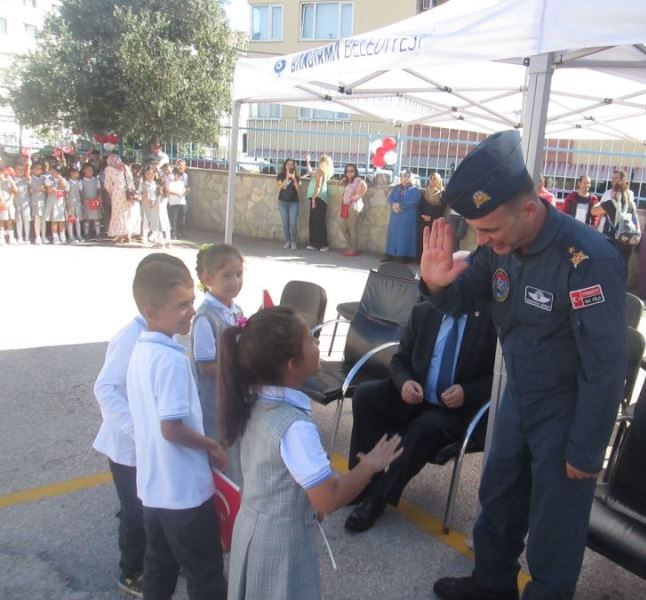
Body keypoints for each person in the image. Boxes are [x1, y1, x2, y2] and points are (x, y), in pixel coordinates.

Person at [420, 130, 627, 600]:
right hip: (516, 396)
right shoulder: (499, 245)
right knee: (499, 499)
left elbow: (605, 365)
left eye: (489, 230)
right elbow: (462, 296)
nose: (482, 240)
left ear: (529, 209)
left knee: (555, 525)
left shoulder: (587, 260)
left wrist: (587, 448)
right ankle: (491, 585)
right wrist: (435, 285)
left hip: (566, 409)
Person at [217, 307, 403, 600]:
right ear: (292, 364)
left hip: (252, 530)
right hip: (282, 546)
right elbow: (328, 498)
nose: (318, 345)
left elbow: (276, 472)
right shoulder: (295, 427)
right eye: (311, 340)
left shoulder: (253, 399)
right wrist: (368, 467)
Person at [346, 296, 497, 532]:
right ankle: (363, 483)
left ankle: (377, 499)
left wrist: (467, 392)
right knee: (365, 396)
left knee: (426, 426)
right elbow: (399, 360)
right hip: (416, 395)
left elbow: (497, 379)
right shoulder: (424, 312)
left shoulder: (490, 322)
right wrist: (405, 382)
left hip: (457, 411)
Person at [93, 253, 192, 598]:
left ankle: (157, 561)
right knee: (135, 511)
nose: (187, 310)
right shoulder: (129, 336)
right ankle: (131, 571)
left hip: (152, 444)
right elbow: (105, 387)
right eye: (180, 302)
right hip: (128, 447)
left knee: (153, 505)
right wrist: (139, 430)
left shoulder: (164, 333)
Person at [127, 258, 228, 600]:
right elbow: (171, 429)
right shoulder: (170, 359)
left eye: (191, 302)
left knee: (160, 564)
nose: (190, 312)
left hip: (154, 490)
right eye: (181, 306)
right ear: (150, 311)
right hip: (184, 493)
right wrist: (211, 446)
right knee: (206, 574)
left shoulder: (141, 350)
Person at [191, 243, 245, 484]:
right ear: (207, 279)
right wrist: (239, 371)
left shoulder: (236, 310)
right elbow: (205, 365)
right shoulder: (205, 318)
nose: (235, 281)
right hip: (215, 398)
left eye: (239, 274)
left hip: (232, 393)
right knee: (221, 447)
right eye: (227, 276)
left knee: (235, 446)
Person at [592, 169, 640, 277]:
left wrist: (607, 207)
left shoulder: (627, 195)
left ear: (623, 180)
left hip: (618, 233)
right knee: (620, 264)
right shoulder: (608, 193)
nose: (613, 180)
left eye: (616, 178)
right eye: (612, 178)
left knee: (614, 263)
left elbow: (595, 210)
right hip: (622, 233)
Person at [383, 169, 422, 263]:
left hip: (406, 216)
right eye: (401, 176)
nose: (402, 178)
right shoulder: (397, 188)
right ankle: (389, 254)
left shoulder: (414, 189)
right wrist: (393, 204)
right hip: (395, 215)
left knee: (405, 235)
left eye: (405, 176)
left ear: (409, 178)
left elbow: (414, 201)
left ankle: (404, 256)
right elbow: (391, 198)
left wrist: (400, 205)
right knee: (393, 235)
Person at [105, 154, 139, 244]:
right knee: (128, 213)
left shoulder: (109, 169)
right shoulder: (125, 167)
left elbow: (107, 184)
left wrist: (111, 191)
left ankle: (120, 233)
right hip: (128, 193)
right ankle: (128, 234)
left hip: (117, 193)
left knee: (118, 213)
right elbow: (131, 181)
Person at [339, 163, 368, 256]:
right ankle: (350, 247)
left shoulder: (358, 180)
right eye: (347, 171)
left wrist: (358, 196)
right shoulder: (348, 181)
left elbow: (364, 186)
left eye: (352, 171)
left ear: (355, 172)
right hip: (345, 206)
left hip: (352, 206)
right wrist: (343, 180)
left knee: (352, 229)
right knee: (343, 228)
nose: (350, 173)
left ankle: (353, 249)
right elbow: (338, 185)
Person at [306, 153, 333, 251]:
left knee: (318, 222)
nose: (320, 162)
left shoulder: (320, 172)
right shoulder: (320, 172)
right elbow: (310, 173)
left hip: (318, 199)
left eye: (322, 161)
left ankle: (323, 244)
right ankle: (315, 244)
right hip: (318, 199)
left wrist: (313, 200)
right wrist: (308, 162)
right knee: (314, 221)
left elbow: (317, 187)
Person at [417, 173, 446, 260]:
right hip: (423, 220)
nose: (432, 181)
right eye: (431, 179)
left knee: (433, 241)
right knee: (422, 240)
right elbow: (420, 206)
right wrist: (423, 215)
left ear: (439, 181)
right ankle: (420, 259)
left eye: (435, 179)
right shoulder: (425, 192)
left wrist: (431, 217)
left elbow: (441, 210)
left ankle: (431, 259)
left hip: (435, 221)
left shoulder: (442, 194)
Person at [276, 158, 301, 250]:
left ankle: (293, 241)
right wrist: (286, 179)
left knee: (293, 223)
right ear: (285, 165)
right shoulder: (281, 175)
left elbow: (298, 189)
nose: (290, 166)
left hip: (293, 203)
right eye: (288, 164)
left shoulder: (297, 176)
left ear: (294, 166)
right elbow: (278, 188)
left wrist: (294, 179)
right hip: (282, 202)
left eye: (292, 164)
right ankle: (288, 241)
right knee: (285, 223)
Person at [44, 164, 68, 244]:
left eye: (56, 172)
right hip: (52, 202)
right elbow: (47, 189)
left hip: (60, 202)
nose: (54, 173)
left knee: (61, 220)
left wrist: (60, 179)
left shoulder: (63, 179)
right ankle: (55, 237)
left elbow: (64, 187)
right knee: (54, 220)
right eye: (53, 171)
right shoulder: (48, 179)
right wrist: (52, 189)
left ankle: (62, 236)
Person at [167, 160, 189, 239]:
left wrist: (185, 192)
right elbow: (168, 191)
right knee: (173, 219)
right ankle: (173, 234)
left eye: (180, 175)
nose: (179, 176)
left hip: (182, 202)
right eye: (177, 175)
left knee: (182, 219)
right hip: (173, 203)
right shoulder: (171, 182)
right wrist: (177, 194)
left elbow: (184, 190)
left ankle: (181, 233)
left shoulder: (182, 182)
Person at [80, 163, 103, 240]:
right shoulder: (81, 181)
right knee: (86, 218)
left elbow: (99, 189)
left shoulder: (96, 180)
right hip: (86, 202)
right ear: (84, 171)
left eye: (91, 170)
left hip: (95, 201)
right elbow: (81, 191)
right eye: (88, 170)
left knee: (96, 218)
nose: (90, 171)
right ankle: (86, 234)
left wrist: (99, 197)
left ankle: (98, 233)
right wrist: (84, 199)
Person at [13, 162, 32, 244]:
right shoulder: (12, 179)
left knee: (26, 220)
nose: (20, 171)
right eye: (18, 169)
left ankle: (27, 237)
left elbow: (31, 190)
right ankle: (20, 237)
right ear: (15, 170)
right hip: (16, 202)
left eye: (22, 170)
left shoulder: (27, 179)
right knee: (19, 220)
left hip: (26, 202)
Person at [30, 161, 47, 244]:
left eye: (40, 169)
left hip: (43, 201)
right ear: (32, 169)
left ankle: (44, 237)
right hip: (35, 201)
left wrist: (40, 188)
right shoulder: (30, 178)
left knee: (43, 219)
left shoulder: (44, 178)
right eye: (35, 168)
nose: (37, 170)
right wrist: (39, 188)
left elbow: (45, 188)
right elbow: (30, 190)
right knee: (37, 219)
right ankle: (38, 236)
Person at [65, 167, 84, 242]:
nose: (78, 174)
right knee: (70, 219)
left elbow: (81, 192)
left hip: (77, 202)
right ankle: (71, 236)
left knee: (78, 220)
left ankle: (79, 235)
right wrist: (67, 203)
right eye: (76, 172)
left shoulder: (79, 182)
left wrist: (81, 201)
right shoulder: (68, 183)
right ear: (71, 173)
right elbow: (66, 194)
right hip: (70, 202)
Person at [0, 167, 17, 245]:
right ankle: (1, 238)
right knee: (1, 221)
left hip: (8, 203)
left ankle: (11, 237)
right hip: (0, 204)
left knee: (9, 221)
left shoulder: (7, 181)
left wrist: (8, 203)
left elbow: (14, 191)